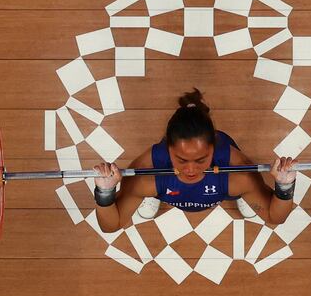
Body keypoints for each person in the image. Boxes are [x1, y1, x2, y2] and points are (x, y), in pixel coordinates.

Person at [92, 87, 298, 233]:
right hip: (161, 187)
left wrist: (284, 186)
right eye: (181, 159)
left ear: (213, 148)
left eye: (201, 159)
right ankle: (153, 196)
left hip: (225, 187)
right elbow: (112, 225)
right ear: (169, 149)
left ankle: (240, 197)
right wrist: (105, 192)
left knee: (242, 191)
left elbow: (273, 217)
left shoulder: (238, 174)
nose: (191, 169)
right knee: (148, 190)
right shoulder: (147, 175)